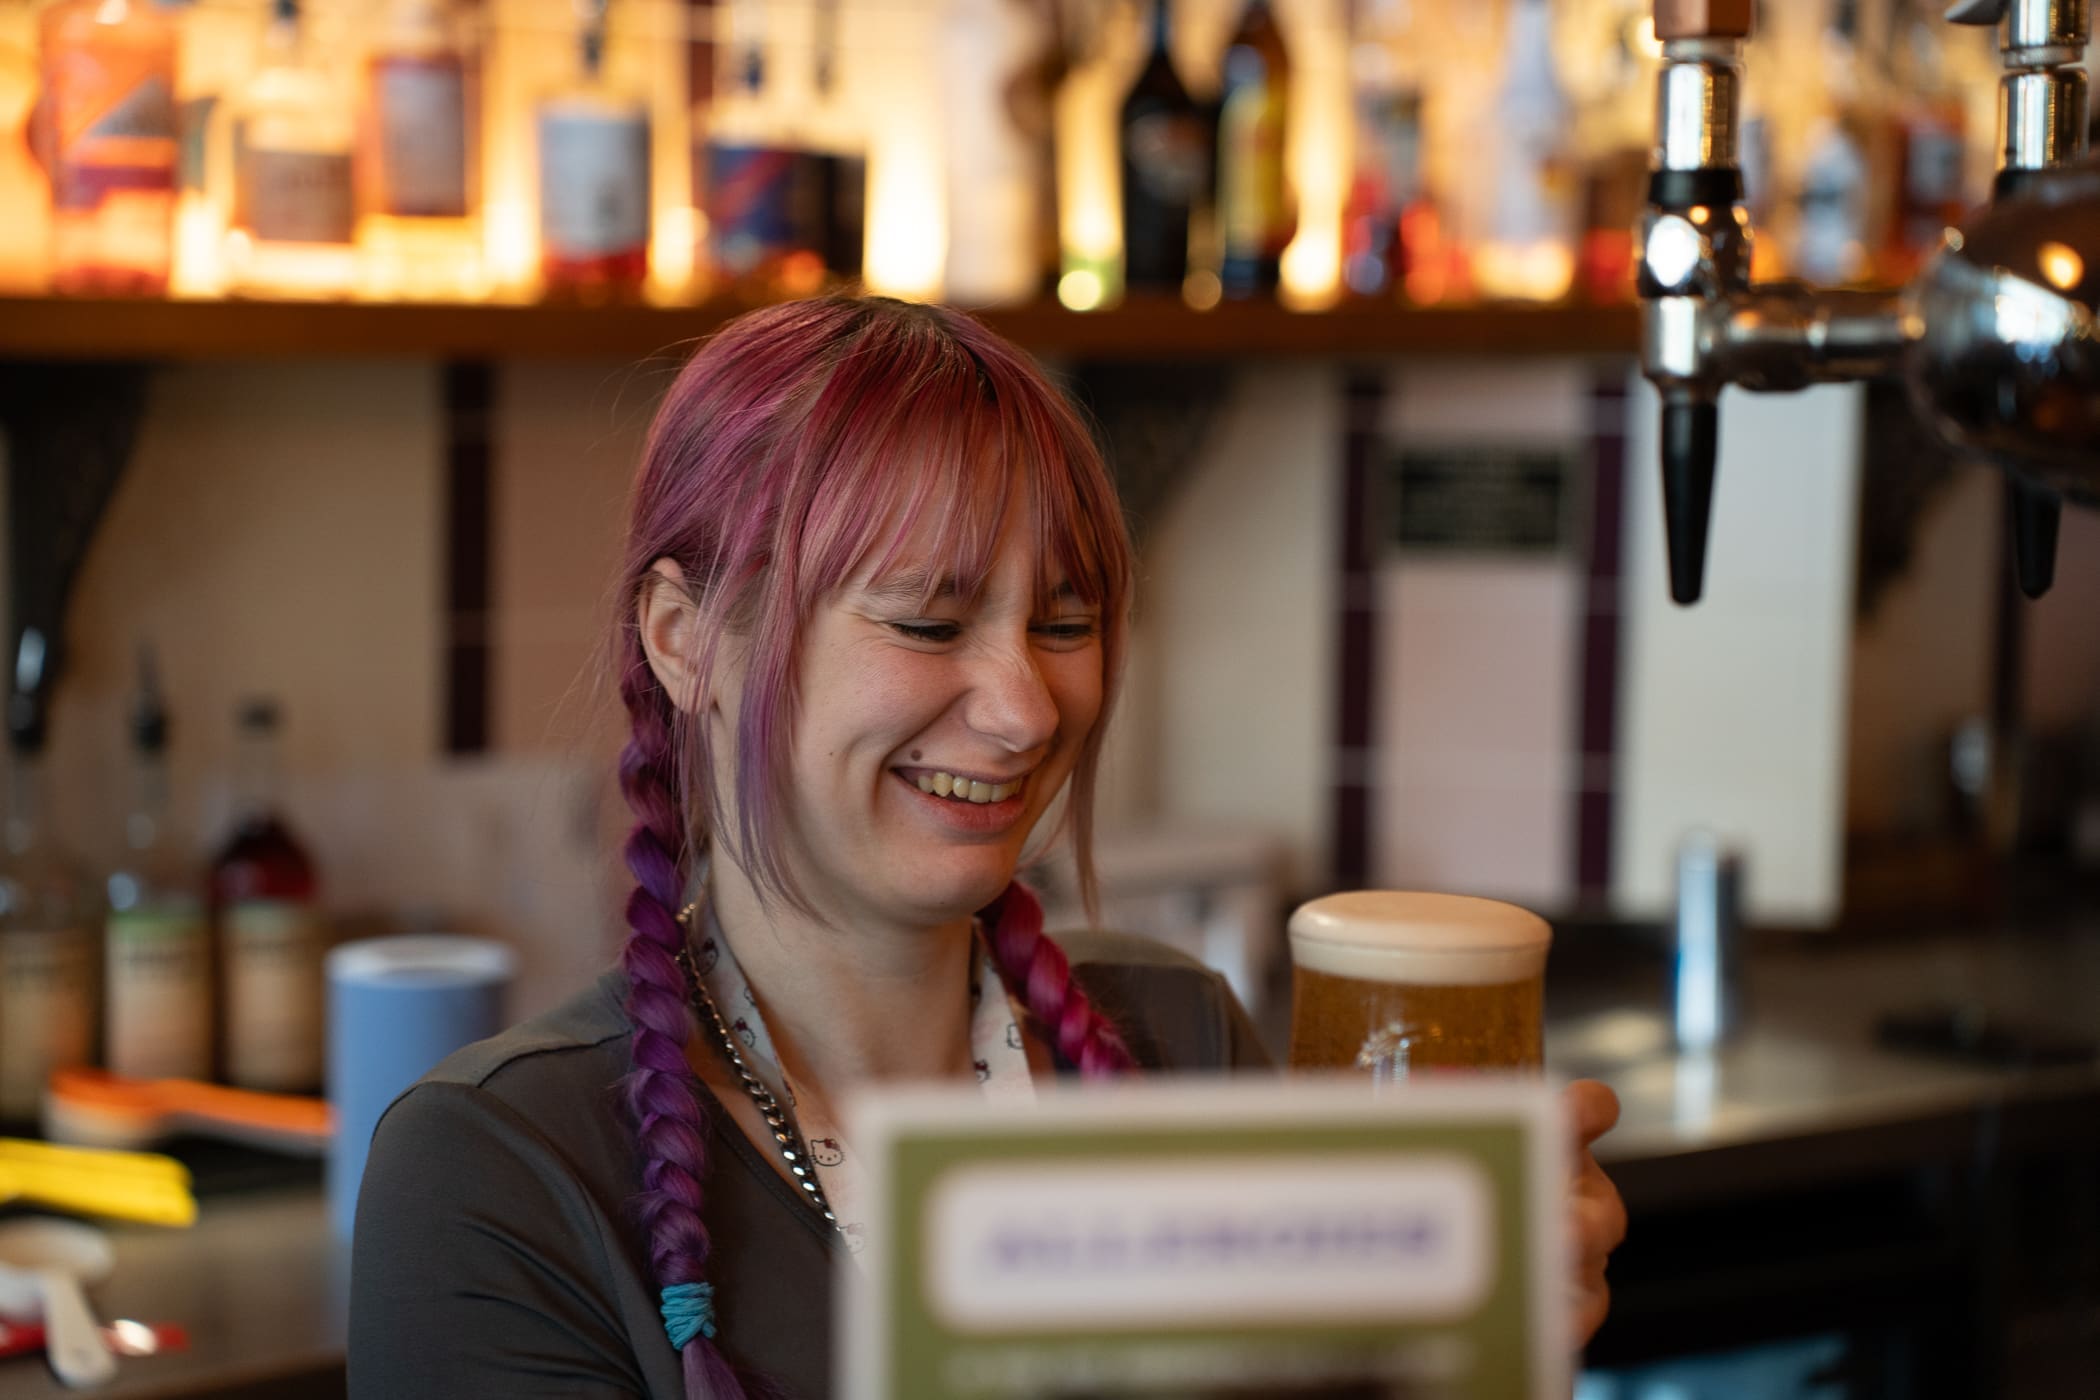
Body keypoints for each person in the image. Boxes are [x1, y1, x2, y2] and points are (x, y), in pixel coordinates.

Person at [349, 295, 1628, 1398]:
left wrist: (1482, 1357)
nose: (1024, 707)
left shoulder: (1177, 1038)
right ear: (688, 637)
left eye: (1065, 619)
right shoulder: (505, 1170)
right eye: (927, 621)